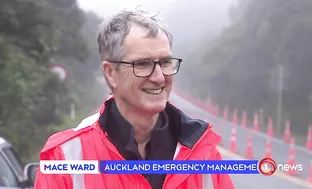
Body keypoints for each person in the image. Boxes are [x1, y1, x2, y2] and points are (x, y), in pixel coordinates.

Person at [34, 8, 235, 189]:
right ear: (111, 73)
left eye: (165, 62)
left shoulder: (203, 153)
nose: (158, 77)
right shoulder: (66, 158)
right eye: (143, 64)